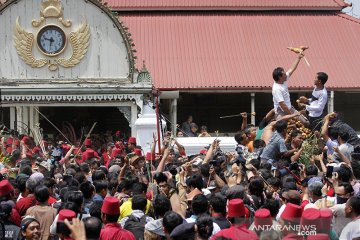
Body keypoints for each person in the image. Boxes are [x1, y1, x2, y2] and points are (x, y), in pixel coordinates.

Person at [272, 52, 307, 123]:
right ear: (280, 77)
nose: (286, 74)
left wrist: (298, 58)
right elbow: (282, 105)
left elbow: (292, 69)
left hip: (290, 108)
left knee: (305, 122)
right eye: (284, 74)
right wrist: (291, 116)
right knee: (281, 126)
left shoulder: (283, 80)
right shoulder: (277, 89)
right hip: (281, 111)